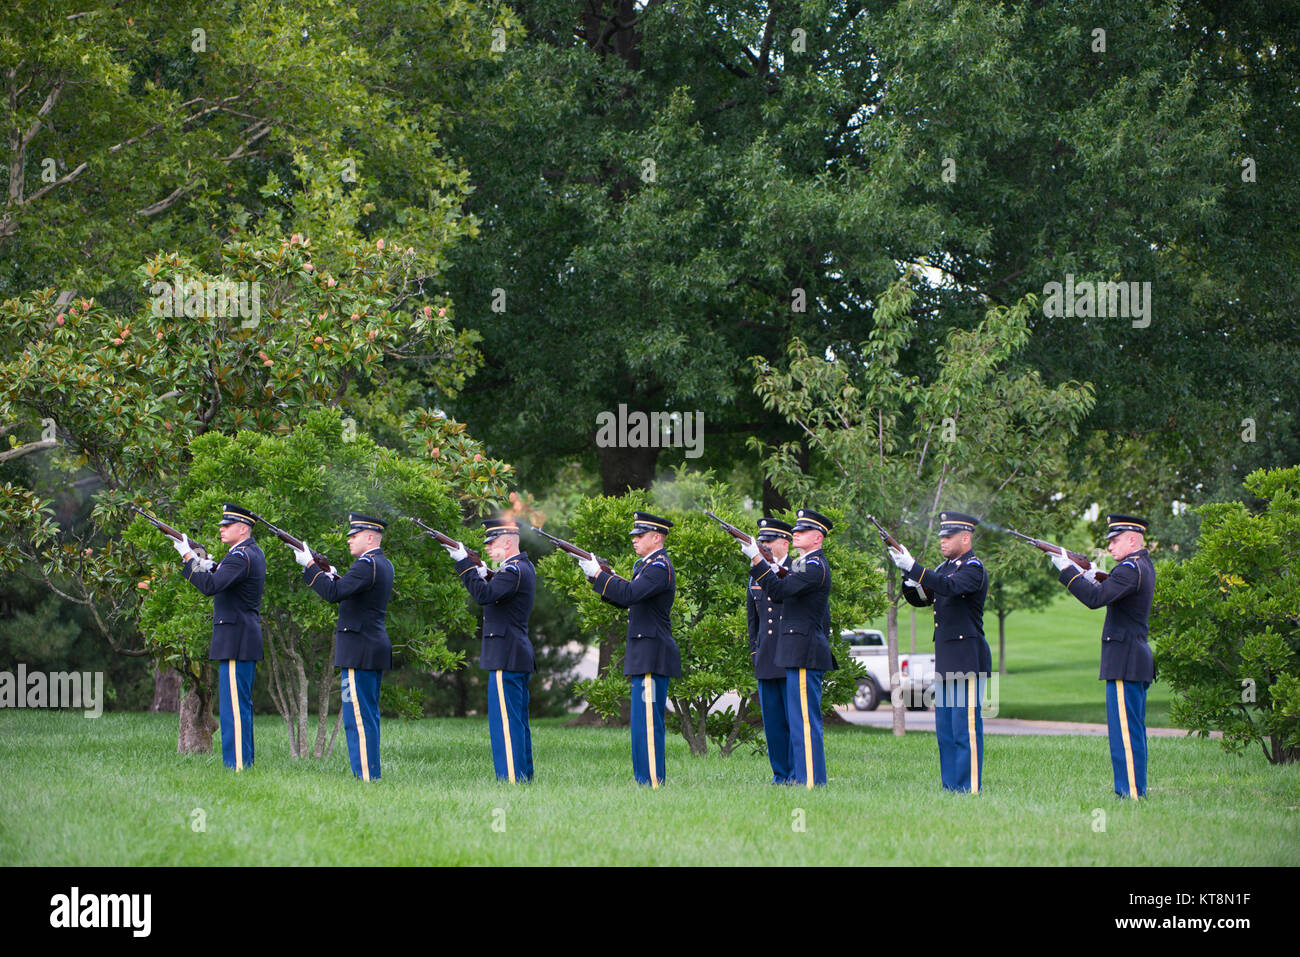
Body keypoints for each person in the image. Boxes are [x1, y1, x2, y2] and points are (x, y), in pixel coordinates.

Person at [1050, 514, 1155, 798]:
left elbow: (1095, 599)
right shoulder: (1138, 566)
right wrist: (1090, 574)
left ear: (1132, 539)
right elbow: (1108, 591)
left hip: (1125, 660)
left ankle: (1131, 792)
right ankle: (1132, 789)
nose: (1110, 547)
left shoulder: (1130, 568)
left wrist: (1067, 571)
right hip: (1131, 658)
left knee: (1125, 735)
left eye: (1115, 540)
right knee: (1129, 732)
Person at [576, 511, 680, 788]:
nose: (634, 539)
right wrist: (595, 578)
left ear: (656, 537)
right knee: (640, 725)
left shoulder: (658, 567)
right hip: (643, 653)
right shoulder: (645, 565)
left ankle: (652, 781)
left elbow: (630, 594)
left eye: (640, 535)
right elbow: (626, 600)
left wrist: (599, 575)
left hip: (651, 655)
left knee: (647, 723)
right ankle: (644, 779)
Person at [892, 511, 991, 794]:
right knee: (946, 731)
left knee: (964, 729)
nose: (943, 542)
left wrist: (916, 567)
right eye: (941, 537)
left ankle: (968, 787)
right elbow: (923, 597)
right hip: (947, 658)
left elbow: (948, 587)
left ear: (965, 537)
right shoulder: (945, 568)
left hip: (968, 657)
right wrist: (908, 576)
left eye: (948, 537)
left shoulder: (972, 568)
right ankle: (951, 787)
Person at [292, 512, 393, 782]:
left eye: (354, 535)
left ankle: (366, 778)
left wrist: (310, 566)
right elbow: (348, 589)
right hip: (370, 647)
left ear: (370, 537)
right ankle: (371, 774)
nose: (349, 540)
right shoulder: (381, 564)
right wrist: (332, 575)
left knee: (356, 719)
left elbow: (333, 594)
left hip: (358, 651)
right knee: (367, 717)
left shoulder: (365, 564)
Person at [744, 508, 833, 788]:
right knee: (794, 722)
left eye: (802, 531)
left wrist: (757, 560)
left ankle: (809, 780)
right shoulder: (801, 565)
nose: (796, 534)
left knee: (804, 722)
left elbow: (780, 591)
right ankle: (797, 778)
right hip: (790, 652)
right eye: (794, 530)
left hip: (803, 651)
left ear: (817, 538)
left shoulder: (813, 565)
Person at [443, 515, 536, 782]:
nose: (486, 547)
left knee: (505, 724)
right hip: (513, 653)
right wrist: (484, 571)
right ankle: (522, 777)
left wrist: (464, 565)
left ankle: (510, 779)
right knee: (516, 722)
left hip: (505, 655)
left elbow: (484, 595)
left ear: (507, 542)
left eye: (491, 542)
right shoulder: (519, 568)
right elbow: (496, 589)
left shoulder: (513, 570)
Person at [175, 503, 265, 771]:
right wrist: (203, 559)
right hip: (240, 638)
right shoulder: (247, 553)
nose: (222, 530)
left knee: (233, 711)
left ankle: (236, 766)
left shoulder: (240, 556)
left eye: (227, 526)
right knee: (239, 709)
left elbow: (211, 586)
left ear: (243, 528)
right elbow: (219, 575)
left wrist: (188, 558)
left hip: (236, 640)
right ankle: (242, 764)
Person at [748, 517, 795, 783]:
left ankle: (796, 772)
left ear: (785, 542)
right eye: (761, 541)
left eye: (769, 540)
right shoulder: (756, 572)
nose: (764, 545)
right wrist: (755, 652)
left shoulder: (798, 569)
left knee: (793, 721)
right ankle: (780, 774)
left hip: (790, 654)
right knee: (774, 723)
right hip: (766, 656)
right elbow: (752, 618)